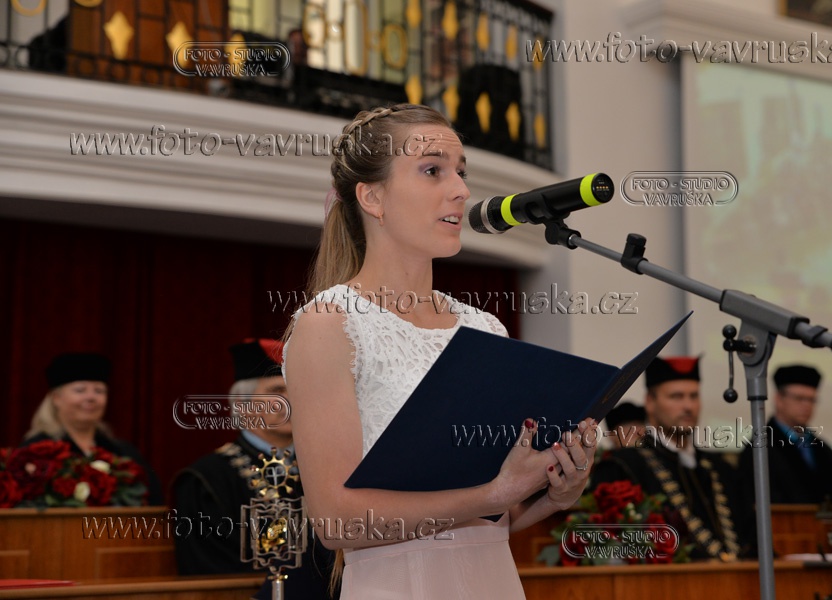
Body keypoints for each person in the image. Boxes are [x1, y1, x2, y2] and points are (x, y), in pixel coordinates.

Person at [281, 103, 596, 598]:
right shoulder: (330, 323)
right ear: (372, 197)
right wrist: (493, 494)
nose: (461, 190)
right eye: (433, 171)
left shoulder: (483, 326)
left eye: (461, 172)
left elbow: (491, 518)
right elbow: (336, 524)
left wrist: (554, 494)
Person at [172, 339, 333, 599]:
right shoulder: (206, 479)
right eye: (277, 390)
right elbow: (209, 571)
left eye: (296, 388)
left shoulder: (326, 467)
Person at [591, 356, 745, 561]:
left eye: (694, 396)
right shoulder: (623, 466)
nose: (688, 406)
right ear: (650, 402)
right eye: (676, 396)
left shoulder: (721, 468)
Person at [23, 352, 163, 505]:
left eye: (99, 391)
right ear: (56, 398)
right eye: (80, 390)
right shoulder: (37, 450)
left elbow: (153, 499)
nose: (91, 397)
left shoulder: (122, 451)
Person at [738, 364, 832, 505]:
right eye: (799, 398)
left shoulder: (822, 449)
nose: (806, 405)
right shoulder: (759, 449)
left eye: (811, 399)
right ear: (779, 399)